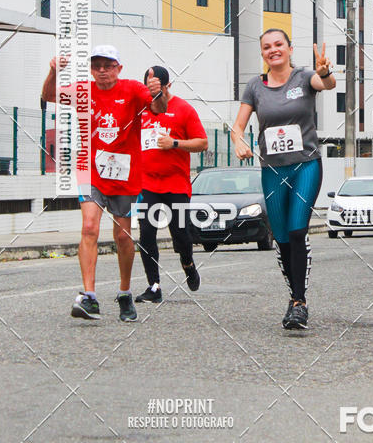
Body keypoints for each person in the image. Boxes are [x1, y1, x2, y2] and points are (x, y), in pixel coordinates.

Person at [41, 45, 166, 321]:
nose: (101, 71)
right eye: (96, 65)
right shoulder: (84, 91)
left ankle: (124, 293)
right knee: (88, 227)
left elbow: (158, 109)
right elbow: (48, 95)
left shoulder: (133, 89)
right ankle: (89, 296)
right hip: (90, 169)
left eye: (108, 65)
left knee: (123, 236)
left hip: (124, 172)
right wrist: (53, 71)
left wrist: (158, 91)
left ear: (118, 69)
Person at [231, 30, 336, 330]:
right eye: (267, 47)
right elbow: (237, 126)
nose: (273, 50)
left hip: (305, 165)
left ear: (290, 49)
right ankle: (294, 297)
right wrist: (239, 142)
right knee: (281, 238)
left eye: (279, 45)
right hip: (273, 170)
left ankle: (300, 303)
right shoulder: (255, 86)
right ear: (262, 53)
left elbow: (325, 83)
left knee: (297, 229)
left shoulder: (304, 78)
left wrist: (325, 71)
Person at [135, 66, 208, 303]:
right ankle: (153, 286)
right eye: (149, 88)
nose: (154, 93)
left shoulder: (184, 109)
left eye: (158, 87)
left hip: (176, 185)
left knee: (181, 234)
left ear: (168, 86)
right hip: (147, 184)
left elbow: (203, 143)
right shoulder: (142, 110)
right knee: (146, 234)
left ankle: (187, 263)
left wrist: (175, 143)